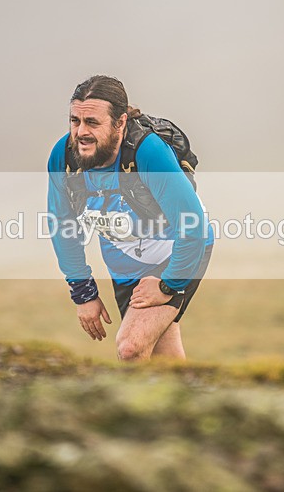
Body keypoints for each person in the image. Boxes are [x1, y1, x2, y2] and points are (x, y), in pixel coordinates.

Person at [47, 75, 214, 361]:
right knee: (163, 357)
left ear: (120, 123)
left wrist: (168, 284)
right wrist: (83, 292)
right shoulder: (63, 157)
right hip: (125, 267)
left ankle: (139, 407)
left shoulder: (147, 152)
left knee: (131, 347)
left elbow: (193, 228)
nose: (81, 132)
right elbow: (63, 227)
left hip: (177, 252)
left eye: (92, 123)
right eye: (75, 121)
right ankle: (189, 404)